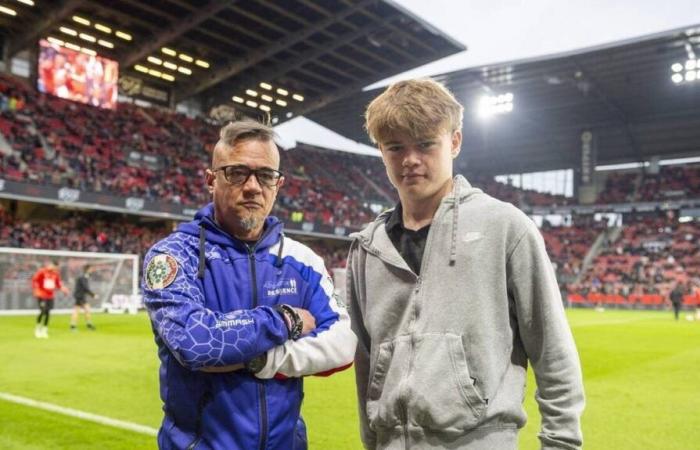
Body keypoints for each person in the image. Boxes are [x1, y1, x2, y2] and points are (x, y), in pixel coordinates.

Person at [346, 79, 585, 450]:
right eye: (395, 147)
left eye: (426, 144)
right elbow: (365, 362)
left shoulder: (505, 227)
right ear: (381, 151)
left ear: (454, 141)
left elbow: (552, 349)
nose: (410, 159)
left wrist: (561, 442)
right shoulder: (367, 248)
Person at [142, 120, 356, 450]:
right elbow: (196, 342)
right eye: (237, 172)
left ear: (278, 184)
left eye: (266, 175)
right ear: (211, 180)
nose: (253, 186)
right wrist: (287, 320)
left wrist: (263, 361)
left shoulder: (302, 260)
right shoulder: (173, 255)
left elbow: (343, 345)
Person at [31, 260, 69, 338]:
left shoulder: (56, 274)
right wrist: (36, 290)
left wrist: (64, 289)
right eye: (55, 267)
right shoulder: (42, 271)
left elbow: (58, 285)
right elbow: (34, 280)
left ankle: (44, 330)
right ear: (51, 265)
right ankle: (37, 329)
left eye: (57, 268)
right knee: (43, 311)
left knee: (48, 312)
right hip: (41, 295)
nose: (56, 269)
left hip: (50, 296)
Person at [71, 264, 97, 331]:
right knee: (82, 310)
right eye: (91, 269)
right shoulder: (83, 277)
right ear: (87, 269)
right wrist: (93, 295)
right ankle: (75, 326)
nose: (92, 270)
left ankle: (76, 325)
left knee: (84, 310)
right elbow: (85, 288)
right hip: (80, 296)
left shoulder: (84, 276)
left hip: (79, 296)